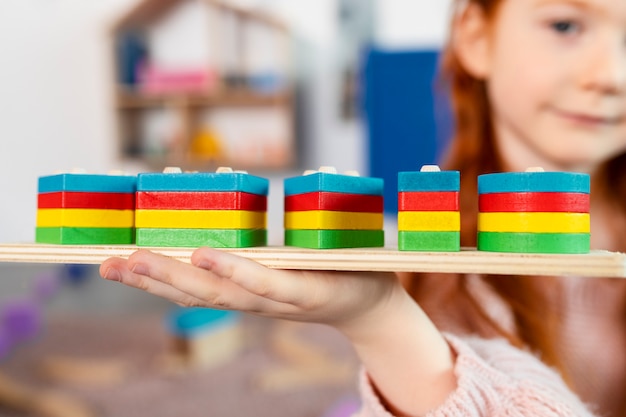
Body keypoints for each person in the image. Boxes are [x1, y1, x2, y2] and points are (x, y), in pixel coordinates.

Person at [100, 0, 626, 415]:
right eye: (565, 25)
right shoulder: (431, 266)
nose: (612, 75)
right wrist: (383, 322)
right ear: (475, 36)